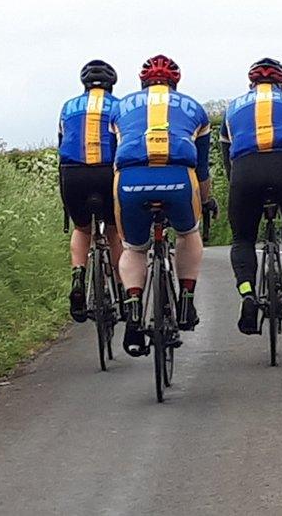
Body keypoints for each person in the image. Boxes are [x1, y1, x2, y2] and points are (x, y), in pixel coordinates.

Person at [111, 54, 214, 357]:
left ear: (142, 83)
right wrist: (205, 201)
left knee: (134, 248)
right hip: (179, 177)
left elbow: (111, 159)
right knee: (187, 233)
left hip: (130, 179)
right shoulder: (194, 107)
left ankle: (132, 310)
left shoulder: (119, 108)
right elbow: (203, 169)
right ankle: (186, 300)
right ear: (176, 82)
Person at [220, 58, 282, 334]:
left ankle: (248, 293)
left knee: (243, 238)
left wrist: (237, 190)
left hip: (246, 171)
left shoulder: (232, 108)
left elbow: (228, 159)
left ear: (251, 83)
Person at [58, 59, 123, 323]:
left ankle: (78, 278)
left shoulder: (67, 107)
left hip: (73, 174)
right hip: (107, 170)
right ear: (111, 84)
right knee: (114, 231)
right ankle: (122, 289)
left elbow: (62, 144)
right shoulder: (119, 106)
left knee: (82, 228)